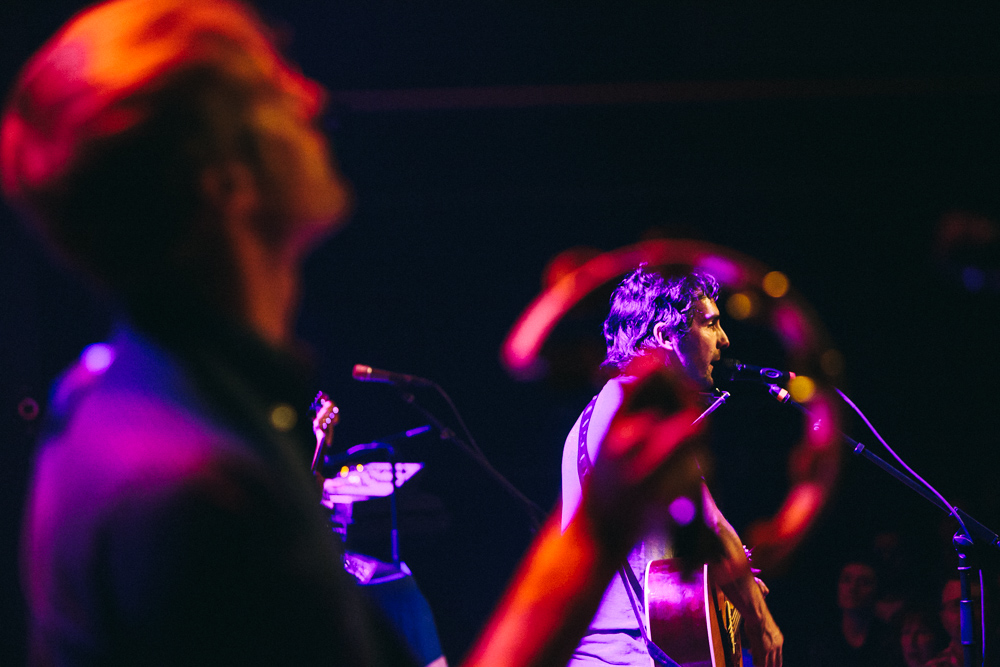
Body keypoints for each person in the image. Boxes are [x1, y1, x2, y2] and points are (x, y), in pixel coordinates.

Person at [3, 1, 709, 665]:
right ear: (220, 183)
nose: (310, 97)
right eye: (269, 93)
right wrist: (594, 536)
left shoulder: (123, 402)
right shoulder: (194, 486)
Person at [560, 268, 783, 667]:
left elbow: (655, 561)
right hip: (622, 657)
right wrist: (760, 621)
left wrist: (725, 590)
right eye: (711, 324)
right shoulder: (638, 413)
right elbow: (712, 528)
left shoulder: (604, 411)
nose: (725, 340)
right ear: (665, 337)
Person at [808, 560, 897, 667]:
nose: (853, 588)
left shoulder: (890, 640)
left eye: (864, 582)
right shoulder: (823, 640)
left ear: (877, 590)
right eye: (846, 580)